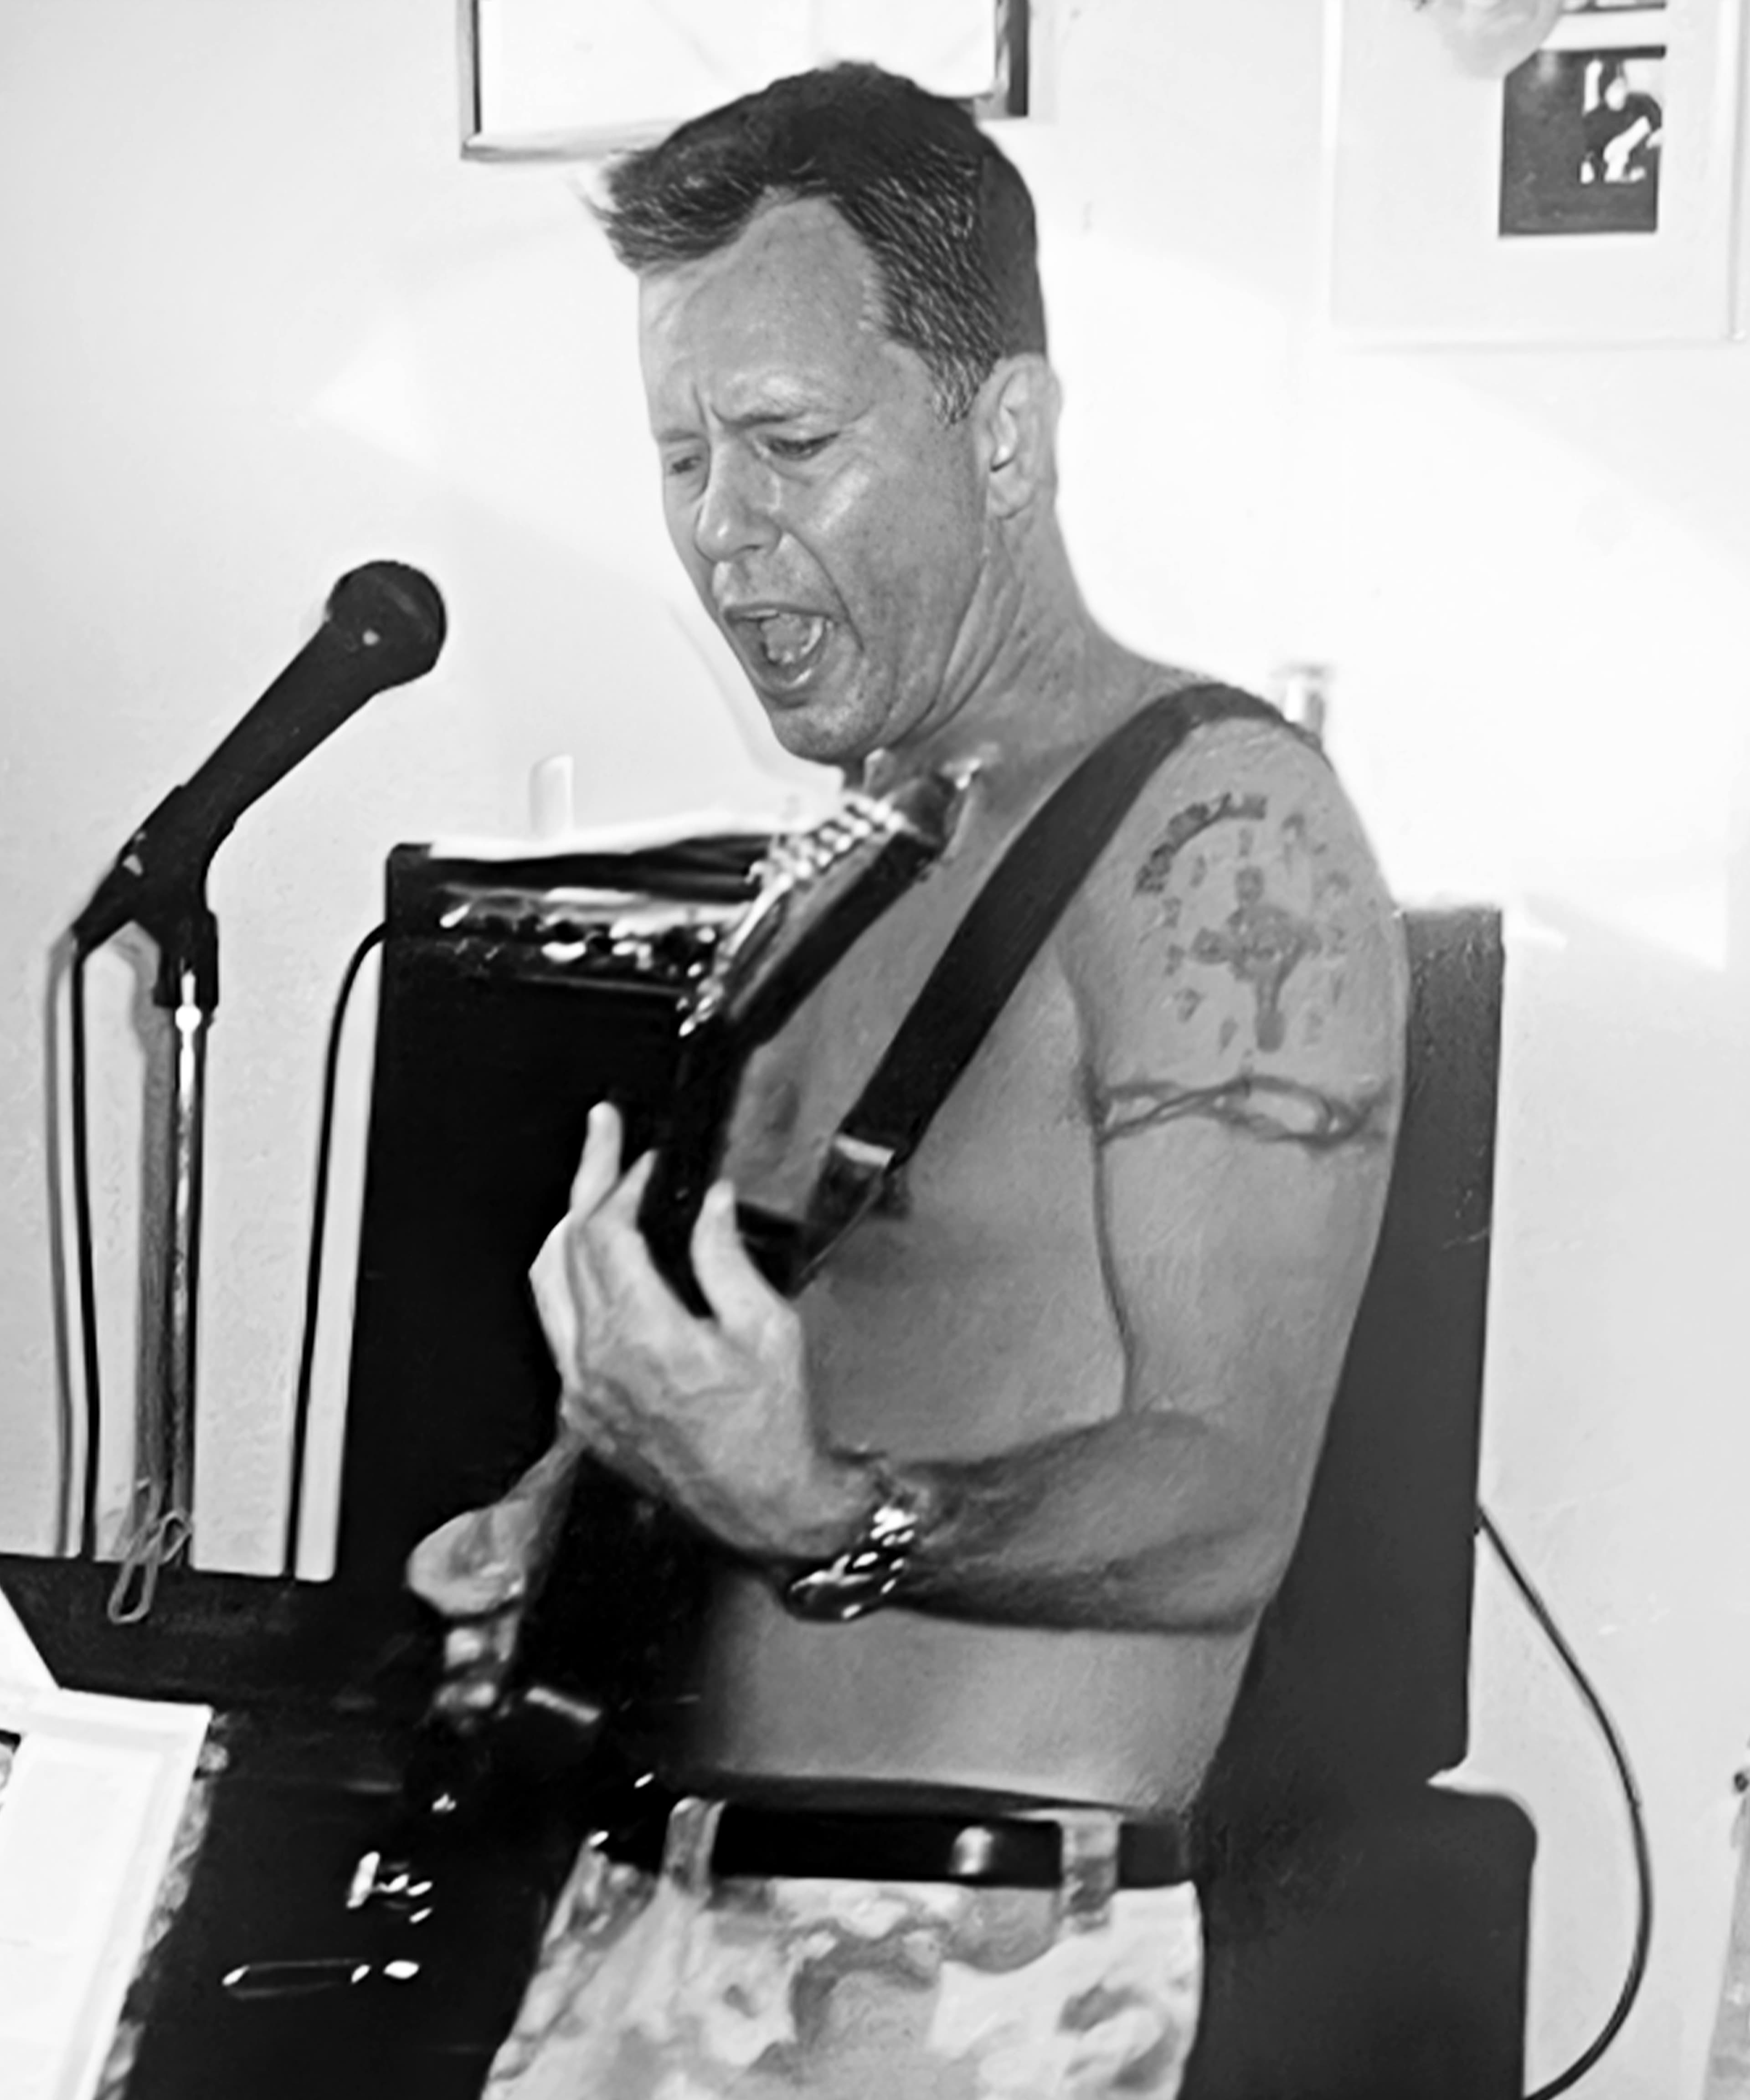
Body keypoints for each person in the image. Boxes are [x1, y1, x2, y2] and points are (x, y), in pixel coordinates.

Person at [407, 62, 1407, 2100]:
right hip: (645, 1924)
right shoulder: (850, 856)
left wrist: (821, 1514)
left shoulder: (1219, 830)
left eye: (790, 444)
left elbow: (1228, 1499)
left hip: (948, 1979)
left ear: (1006, 431)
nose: (724, 531)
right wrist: (568, 1516)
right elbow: (859, 1350)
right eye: (681, 456)